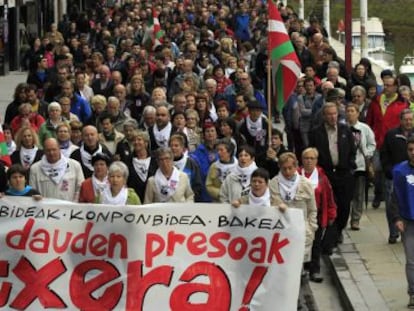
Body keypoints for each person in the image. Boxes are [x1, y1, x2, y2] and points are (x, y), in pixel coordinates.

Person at [309, 102, 356, 246]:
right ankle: (331, 235)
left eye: (334, 113)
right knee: (329, 204)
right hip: (327, 173)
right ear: (324, 116)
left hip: (344, 173)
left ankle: (340, 229)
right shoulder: (316, 132)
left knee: (344, 205)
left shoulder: (345, 130)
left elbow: (352, 150)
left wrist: (349, 165)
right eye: (329, 114)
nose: (332, 117)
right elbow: (312, 151)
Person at [269, 152, 318, 264]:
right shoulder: (273, 184)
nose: (287, 172)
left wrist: (311, 227)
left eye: (290, 168)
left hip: (302, 231)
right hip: (281, 232)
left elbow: (312, 209)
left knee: (298, 263)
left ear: (296, 166)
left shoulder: (306, 184)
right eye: (284, 169)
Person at [299, 148, 337, 282]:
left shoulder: (322, 178)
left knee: (316, 244)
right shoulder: (296, 175)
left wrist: (331, 213)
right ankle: (301, 269)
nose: (309, 161)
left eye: (312, 159)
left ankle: (315, 271)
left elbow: (329, 197)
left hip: (317, 216)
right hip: (300, 216)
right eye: (306, 158)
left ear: (316, 160)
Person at [381, 109, 414, 243]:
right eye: (405, 119)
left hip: (411, 175)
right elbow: (384, 154)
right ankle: (393, 231)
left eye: (410, 119)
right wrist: (389, 170)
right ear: (400, 120)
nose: (408, 122)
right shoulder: (391, 134)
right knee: (392, 203)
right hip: (395, 175)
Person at [392, 136, 414, 309]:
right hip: (408, 221)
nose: (413, 153)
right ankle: (413, 293)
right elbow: (394, 197)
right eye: (410, 150)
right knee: (411, 261)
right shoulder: (400, 171)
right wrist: (397, 218)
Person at [346, 104, 376, 231]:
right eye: (348, 111)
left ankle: (355, 219)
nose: (350, 113)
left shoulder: (364, 128)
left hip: (360, 165)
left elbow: (372, 144)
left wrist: (368, 154)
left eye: (352, 111)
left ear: (358, 113)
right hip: (346, 165)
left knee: (359, 194)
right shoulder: (342, 127)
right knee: (347, 194)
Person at [169, 133, 203, 202]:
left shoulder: (191, 163)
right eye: (171, 146)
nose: (173, 148)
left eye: (176, 146)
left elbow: (197, 185)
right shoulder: (165, 162)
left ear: (183, 148)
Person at [127, 130, 157, 203]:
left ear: (146, 143)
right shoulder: (127, 160)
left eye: (139, 139)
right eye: (134, 140)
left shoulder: (155, 159)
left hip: (153, 201)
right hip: (134, 201)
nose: (136, 142)